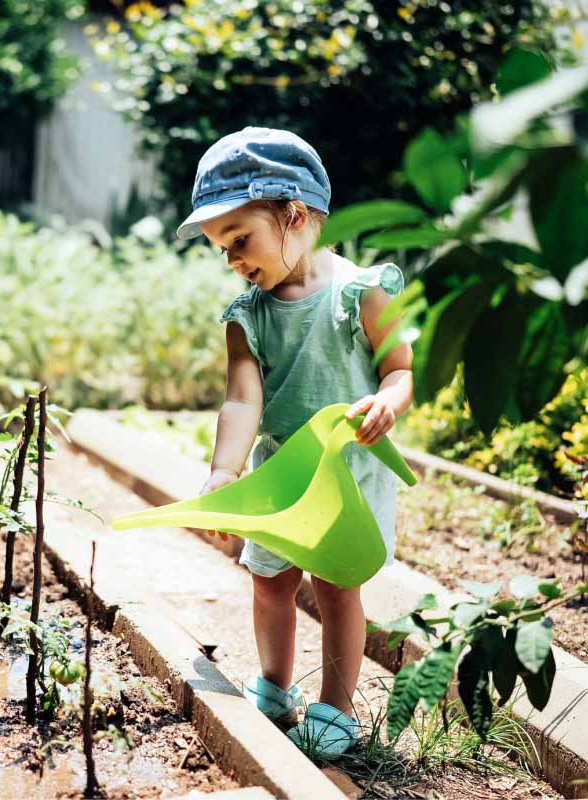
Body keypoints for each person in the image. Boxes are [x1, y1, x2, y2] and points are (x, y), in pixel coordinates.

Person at [177, 127, 414, 757]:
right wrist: (225, 472)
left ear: (295, 215)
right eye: (220, 249)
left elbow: (400, 367)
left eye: (240, 240)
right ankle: (275, 686)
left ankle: (336, 709)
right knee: (269, 580)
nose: (232, 259)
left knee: (337, 585)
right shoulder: (247, 314)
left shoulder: (362, 291)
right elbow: (242, 399)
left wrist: (387, 402)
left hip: (346, 468)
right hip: (282, 469)